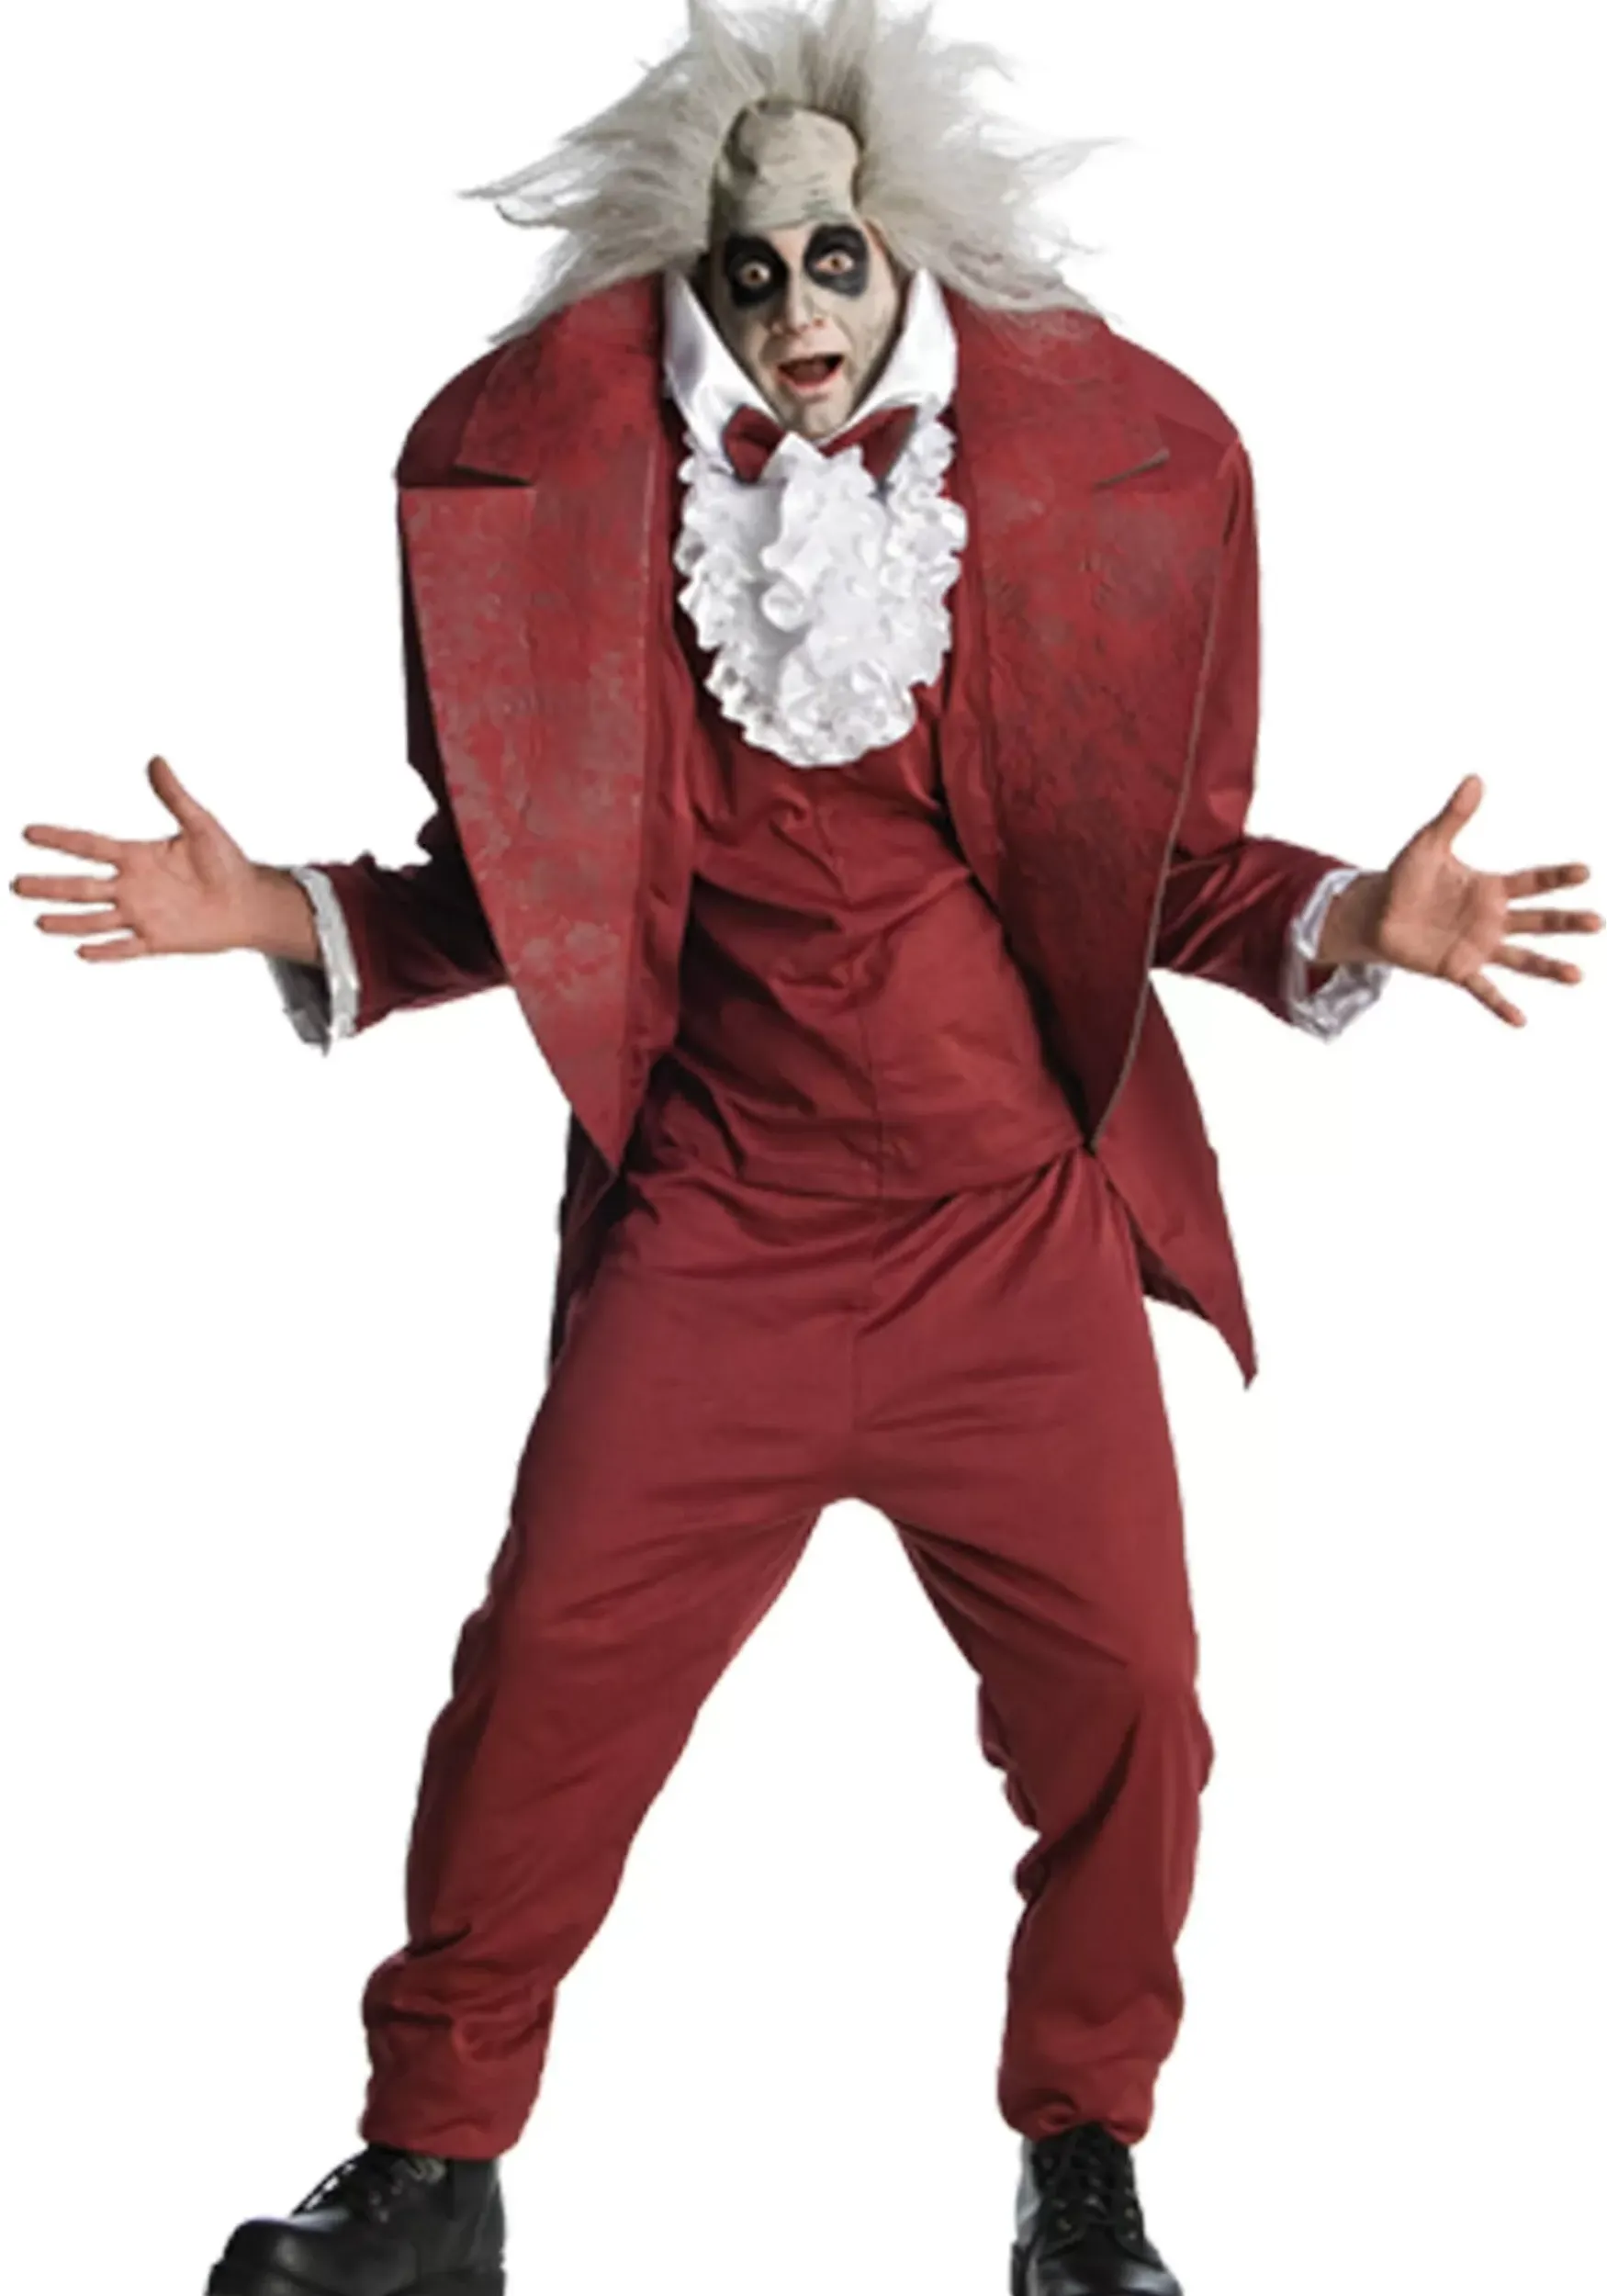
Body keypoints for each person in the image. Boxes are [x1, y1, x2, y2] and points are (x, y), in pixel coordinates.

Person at [12, 3, 1598, 2290]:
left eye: (830, 263)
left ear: (900, 260)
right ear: (696, 293)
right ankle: (432, 2168)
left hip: (1007, 1239)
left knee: (1129, 1710)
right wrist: (272, 907)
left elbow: (1157, 866)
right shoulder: (609, 536)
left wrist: (1358, 915)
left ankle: (1082, 2163)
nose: (794, 316)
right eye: (747, 279)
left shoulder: (1047, 515)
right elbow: (527, 888)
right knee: (540, 1682)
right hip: (715, 1236)